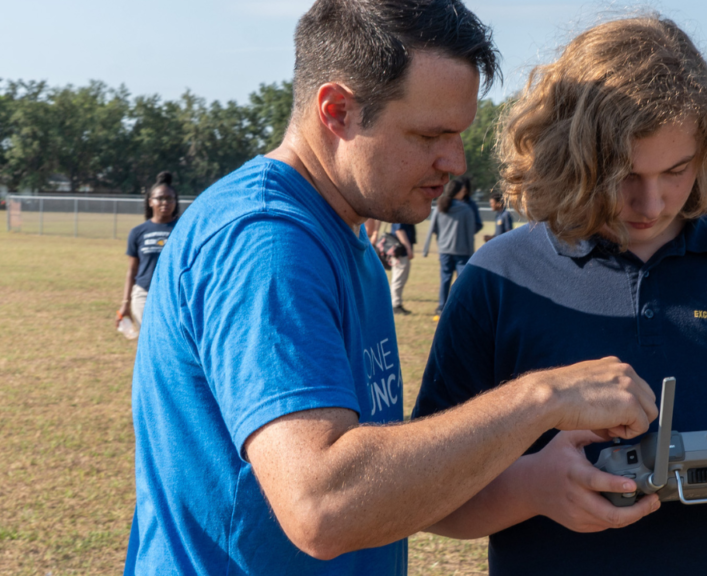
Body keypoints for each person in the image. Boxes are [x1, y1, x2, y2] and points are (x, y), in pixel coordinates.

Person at [124, 3, 660, 575]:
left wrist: (532, 480)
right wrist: (543, 398)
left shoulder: (343, 235)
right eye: (430, 134)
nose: (453, 161)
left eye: (458, 134)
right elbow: (324, 506)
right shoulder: (269, 245)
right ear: (337, 111)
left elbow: (380, 480)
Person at [413, 16, 707, 575]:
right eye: (622, 174)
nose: (651, 203)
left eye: (676, 170)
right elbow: (429, 498)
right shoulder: (498, 278)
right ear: (568, 155)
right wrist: (531, 490)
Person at [116, 171, 180, 332]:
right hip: (144, 294)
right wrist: (125, 304)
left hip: (175, 295)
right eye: (160, 198)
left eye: (169, 198)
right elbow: (132, 270)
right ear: (150, 201)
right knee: (150, 340)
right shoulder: (138, 232)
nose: (165, 202)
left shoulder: (183, 229)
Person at [423, 177, 482, 318]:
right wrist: (471, 253)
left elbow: (433, 228)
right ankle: (462, 307)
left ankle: (441, 306)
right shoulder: (466, 209)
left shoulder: (440, 207)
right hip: (462, 251)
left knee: (445, 278)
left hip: (444, 250)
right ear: (457, 192)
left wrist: (429, 247)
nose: (464, 193)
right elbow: (469, 234)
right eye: (462, 190)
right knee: (462, 281)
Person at [389, 221, 416, 315]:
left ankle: (396, 303)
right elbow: (399, 230)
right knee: (398, 279)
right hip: (400, 252)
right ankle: (395, 304)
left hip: (400, 251)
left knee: (399, 278)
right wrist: (408, 248)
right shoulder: (400, 214)